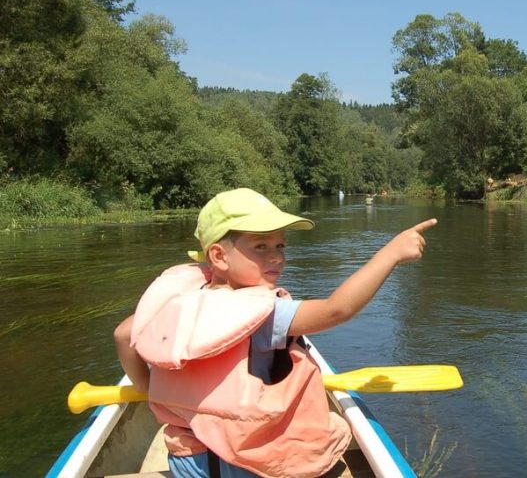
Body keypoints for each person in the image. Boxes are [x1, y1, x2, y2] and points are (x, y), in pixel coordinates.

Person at [114, 188, 437, 478]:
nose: (277, 256)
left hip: (189, 459)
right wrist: (390, 254)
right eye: (260, 246)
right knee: (325, 439)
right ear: (218, 255)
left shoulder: (180, 301)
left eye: (280, 245)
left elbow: (125, 333)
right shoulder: (264, 313)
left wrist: (149, 390)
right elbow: (337, 310)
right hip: (250, 461)